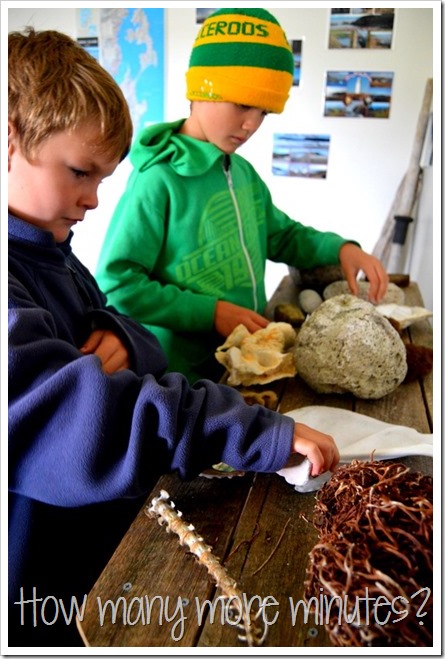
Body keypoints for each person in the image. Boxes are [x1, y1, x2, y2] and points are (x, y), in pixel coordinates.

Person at [8, 27, 339, 648]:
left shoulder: (57, 250)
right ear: (9, 137)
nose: (93, 201)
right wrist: (243, 429)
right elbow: (72, 411)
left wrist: (125, 339)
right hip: (35, 583)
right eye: (80, 173)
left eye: (101, 180)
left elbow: (131, 333)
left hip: (108, 525)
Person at [96, 8, 389, 384]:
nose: (252, 124)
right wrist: (211, 312)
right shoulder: (157, 180)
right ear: (202, 89)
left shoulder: (243, 173)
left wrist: (341, 249)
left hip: (243, 363)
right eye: (242, 104)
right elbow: (118, 282)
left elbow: (281, 235)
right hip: (177, 375)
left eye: (264, 112)